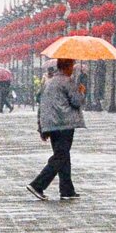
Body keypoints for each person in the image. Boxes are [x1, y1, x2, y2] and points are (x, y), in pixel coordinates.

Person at [29, 58, 87, 202]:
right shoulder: (67, 82)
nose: (73, 69)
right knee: (61, 156)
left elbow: (42, 105)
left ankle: (67, 190)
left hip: (51, 124)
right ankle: (38, 185)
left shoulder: (48, 82)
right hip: (64, 123)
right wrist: (81, 91)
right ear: (66, 67)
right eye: (72, 66)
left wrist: (41, 127)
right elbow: (77, 101)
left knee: (63, 156)